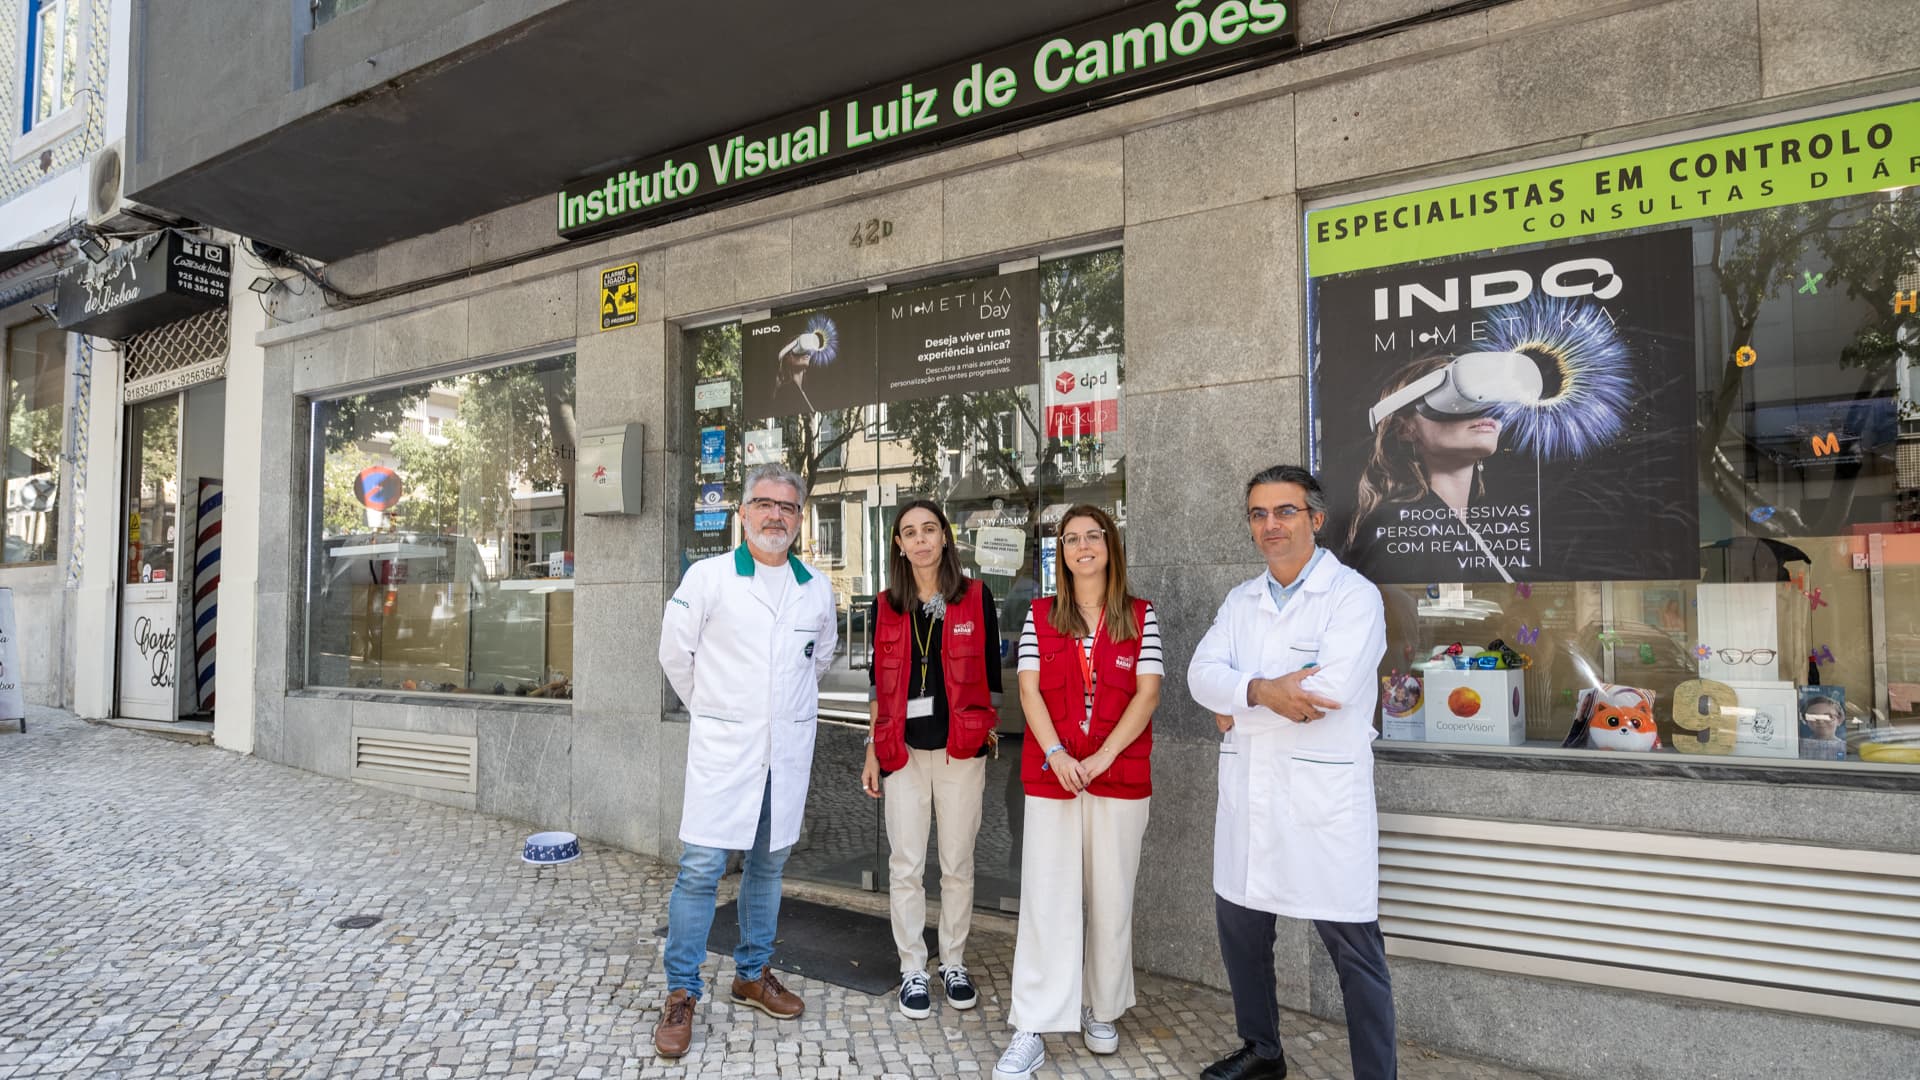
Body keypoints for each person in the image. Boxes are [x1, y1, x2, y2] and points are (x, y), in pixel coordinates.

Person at [1189, 465, 1397, 1080]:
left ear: (1315, 518)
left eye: (1284, 511)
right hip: (1249, 797)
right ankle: (1262, 1051)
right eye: (1258, 513)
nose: (1270, 525)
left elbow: (1325, 693)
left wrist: (1237, 708)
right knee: (1243, 932)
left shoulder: (1353, 597)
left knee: (1355, 950)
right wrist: (1258, 690)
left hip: (1322, 801)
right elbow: (1203, 675)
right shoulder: (1240, 601)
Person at [653, 463, 837, 1059]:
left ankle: (751, 974)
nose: (774, 516)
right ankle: (681, 991)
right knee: (701, 870)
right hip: (724, 754)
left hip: (784, 755)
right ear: (742, 514)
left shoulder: (816, 588)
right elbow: (674, 654)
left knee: (768, 865)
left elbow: (819, 660)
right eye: (763, 504)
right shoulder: (709, 578)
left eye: (786, 507)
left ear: (799, 518)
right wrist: (719, 713)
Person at [992, 505, 1162, 1080]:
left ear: (1111, 546)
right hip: (1054, 776)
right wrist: (1060, 755)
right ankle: (1032, 1024)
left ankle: (1101, 1008)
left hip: (1119, 777)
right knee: (1046, 899)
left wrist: (1103, 757)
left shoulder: (1141, 615)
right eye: (1071, 539)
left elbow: (1148, 693)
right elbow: (1029, 690)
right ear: (1060, 552)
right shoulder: (1041, 615)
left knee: (1112, 898)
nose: (1083, 546)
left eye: (1093, 536)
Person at [860, 500, 1001, 1019]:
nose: (920, 540)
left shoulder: (976, 598)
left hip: (960, 751)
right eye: (909, 532)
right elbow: (878, 685)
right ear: (898, 543)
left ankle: (954, 961)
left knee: (958, 863)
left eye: (929, 530)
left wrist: (984, 736)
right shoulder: (885, 605)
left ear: (945, 536)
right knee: (906, 865)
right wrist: (872, 750)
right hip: (903, 753)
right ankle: (913, 969)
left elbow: (991, 678)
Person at [1345, 354, 1515, 584]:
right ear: (1405, 429)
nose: (1482, 408)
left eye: (1486, 396)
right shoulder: (1397, 528)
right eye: (1453, 398)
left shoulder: (1468, 530)